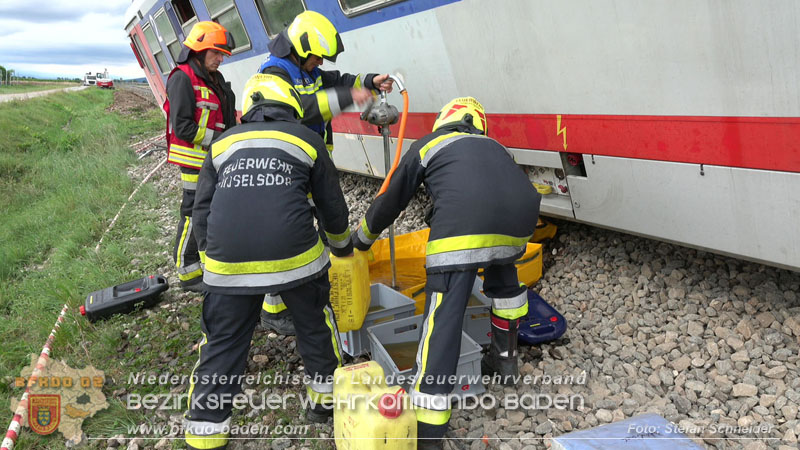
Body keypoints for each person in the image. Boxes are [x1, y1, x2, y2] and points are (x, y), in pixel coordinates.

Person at [351, 97, 542, 449]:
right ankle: (505, 360)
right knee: (505, 283)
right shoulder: (495, 147)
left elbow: (393, 198)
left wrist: (360, 241)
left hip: (464, 230)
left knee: (443, 319)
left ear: (445, 120)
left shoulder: (432, 143)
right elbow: (494, 193)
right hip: (519, 225)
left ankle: (429, 428)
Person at [184, 73, 353, 450]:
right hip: (297, 261)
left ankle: (205, 431)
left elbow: (202, 210)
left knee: (223, 340)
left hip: (227, 265)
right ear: (291, 105)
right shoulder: (307, 140)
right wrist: (341, 247)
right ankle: (324, 401)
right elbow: (332, 207)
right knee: (314, 322)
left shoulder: (223, 143)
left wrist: (214, 261)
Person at [257, 10, 394, 335]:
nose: (320, 62)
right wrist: (349, 97)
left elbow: (338, 80)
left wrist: (369, 80)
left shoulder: (306, 69)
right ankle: (274, 311)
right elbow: (302, 108)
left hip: (311, 165)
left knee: (321, 232)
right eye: (316, 56)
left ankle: (323, 289)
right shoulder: (274, 74)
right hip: (287, 169)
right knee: (289, 238)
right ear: (300, 50)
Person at [164, 21, 237, 292]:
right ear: (199, 50)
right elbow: (183, 126)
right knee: (193, 213)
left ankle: (208, 264)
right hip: (195, 161)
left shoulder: (212, 79)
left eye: (222, 55)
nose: (220, 59)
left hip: (214, 159)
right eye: (216, 53)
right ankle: (186, 271)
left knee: (211, 212)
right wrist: (221, 140)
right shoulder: (182, 78)